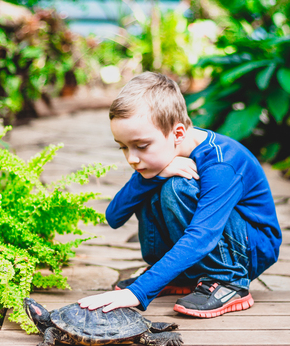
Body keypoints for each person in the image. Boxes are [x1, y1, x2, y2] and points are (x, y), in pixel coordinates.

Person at [78, 72, 282, 318]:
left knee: (178, 188)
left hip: (252, 248)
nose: (131, 158)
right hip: (216, 240)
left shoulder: (221, 164)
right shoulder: (161, 159)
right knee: (152, 182)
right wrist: (154, 176)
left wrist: (139, 292)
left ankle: (229, 281)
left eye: (141, 146)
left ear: (177, 134)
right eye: (123, 147)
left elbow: (202, 236)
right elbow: (114, 217)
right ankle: (183, 275)